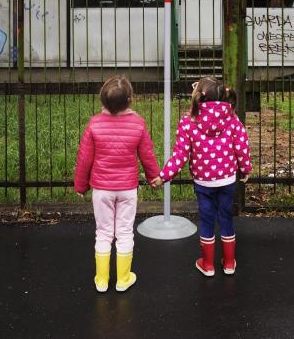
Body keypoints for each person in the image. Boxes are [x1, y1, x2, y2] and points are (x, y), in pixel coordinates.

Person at [156, 77, 252, 276]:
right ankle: (229, 263)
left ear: (199, 96)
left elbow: (180, 154)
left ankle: (208, 265)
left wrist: (164, 176)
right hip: (227, 179)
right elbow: (241, 147)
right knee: (226, 219)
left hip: (203, 182)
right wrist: (246, 168)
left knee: (207, 220)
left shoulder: (188, 121)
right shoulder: (232, 118)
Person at [74, 75, 160, 293]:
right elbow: (147, 155)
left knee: (103, 232)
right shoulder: (138, 124)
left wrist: (81, 185)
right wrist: (153, 177)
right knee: (124, 231)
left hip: (101, 189)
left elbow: (85, 158)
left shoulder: (94, 124)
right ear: (130, 100)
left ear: (102, 100)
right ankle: (123, 279)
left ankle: (102, 280)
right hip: (127, 188)